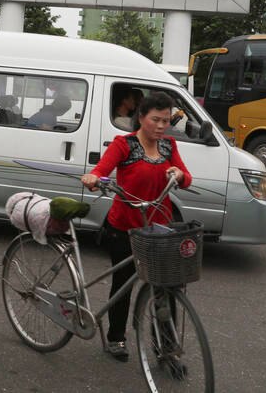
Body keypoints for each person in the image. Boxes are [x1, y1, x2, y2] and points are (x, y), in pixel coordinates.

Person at [80, 91, 192, 361]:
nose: (161, 126)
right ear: (141, 117)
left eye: (166, 120)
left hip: (158, 230)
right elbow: (102, 169)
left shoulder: (169, 147)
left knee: (164, 289)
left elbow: (186, 177)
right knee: (123, 285)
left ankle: (167, 349)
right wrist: (94, 177)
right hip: (124, 227)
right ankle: (116, 338)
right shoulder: (124, 144)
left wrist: (178, 174)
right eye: (156, 119)